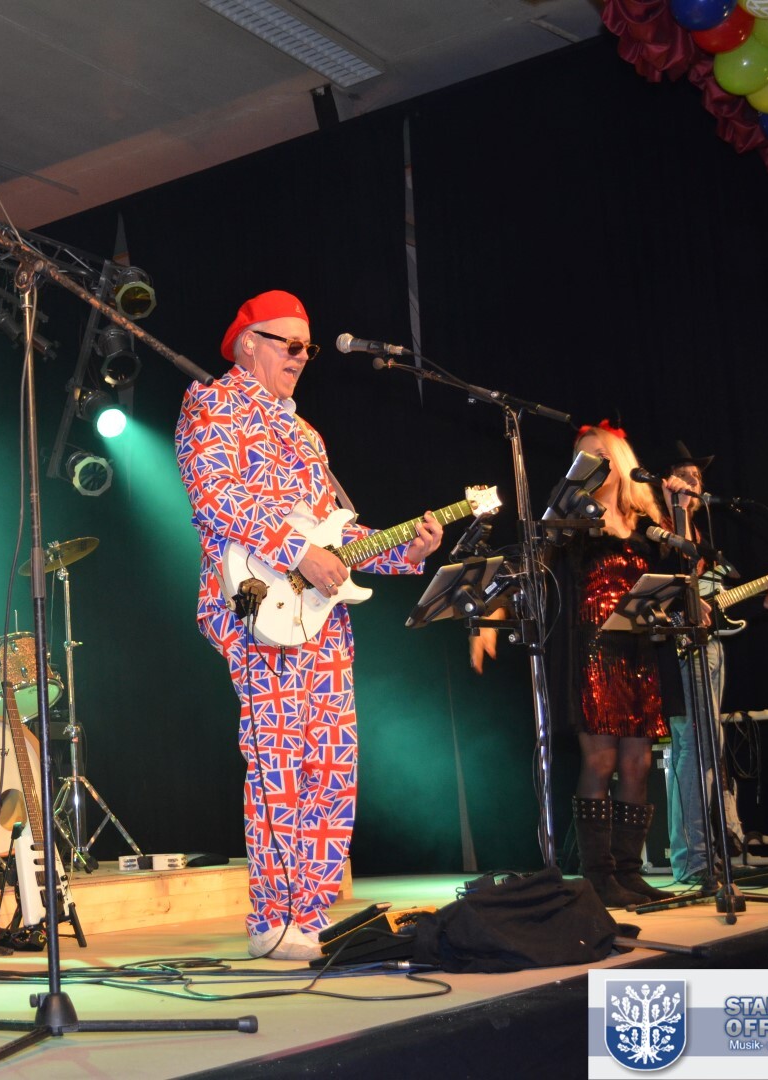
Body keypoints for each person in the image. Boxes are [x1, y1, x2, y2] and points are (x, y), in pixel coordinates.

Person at [174, 290, 442, 960]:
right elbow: (215, 498)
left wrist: (405, 552)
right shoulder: (213, 404)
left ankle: (312, 913)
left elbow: (334, 535)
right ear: (249, 344)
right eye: (288, 343)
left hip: (320, 614)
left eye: (307, 347)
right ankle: (272, 920)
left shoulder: (305, 434)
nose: (300, 356)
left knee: (331, 760)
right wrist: (297, 552)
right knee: (278, 760)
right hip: (257, 603)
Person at [475, 420, 678, 908]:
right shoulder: (568, 521)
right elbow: (527, 565)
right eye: (582, 459)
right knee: (602, 760)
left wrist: (681, 515)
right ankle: (598, 875)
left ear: (620, 461)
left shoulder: (645, 521)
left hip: (638, 651)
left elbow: (679, 574)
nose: (591, 466)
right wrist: (490, 616)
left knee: (637, 763)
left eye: (600, 456)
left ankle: (628, 873)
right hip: (592, 649)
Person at [652, 442, 768, 887]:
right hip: (678, 646)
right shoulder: (658, 529)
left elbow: (721, 605)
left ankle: (706, 854)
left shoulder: (702, 538)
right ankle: (691, 860)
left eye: (697, 478)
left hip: (709, 647)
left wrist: (766, 605)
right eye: (684, 476)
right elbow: (655, 591)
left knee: (709, 746)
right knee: (695, 744)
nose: (693, 483)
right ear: (666, 482)